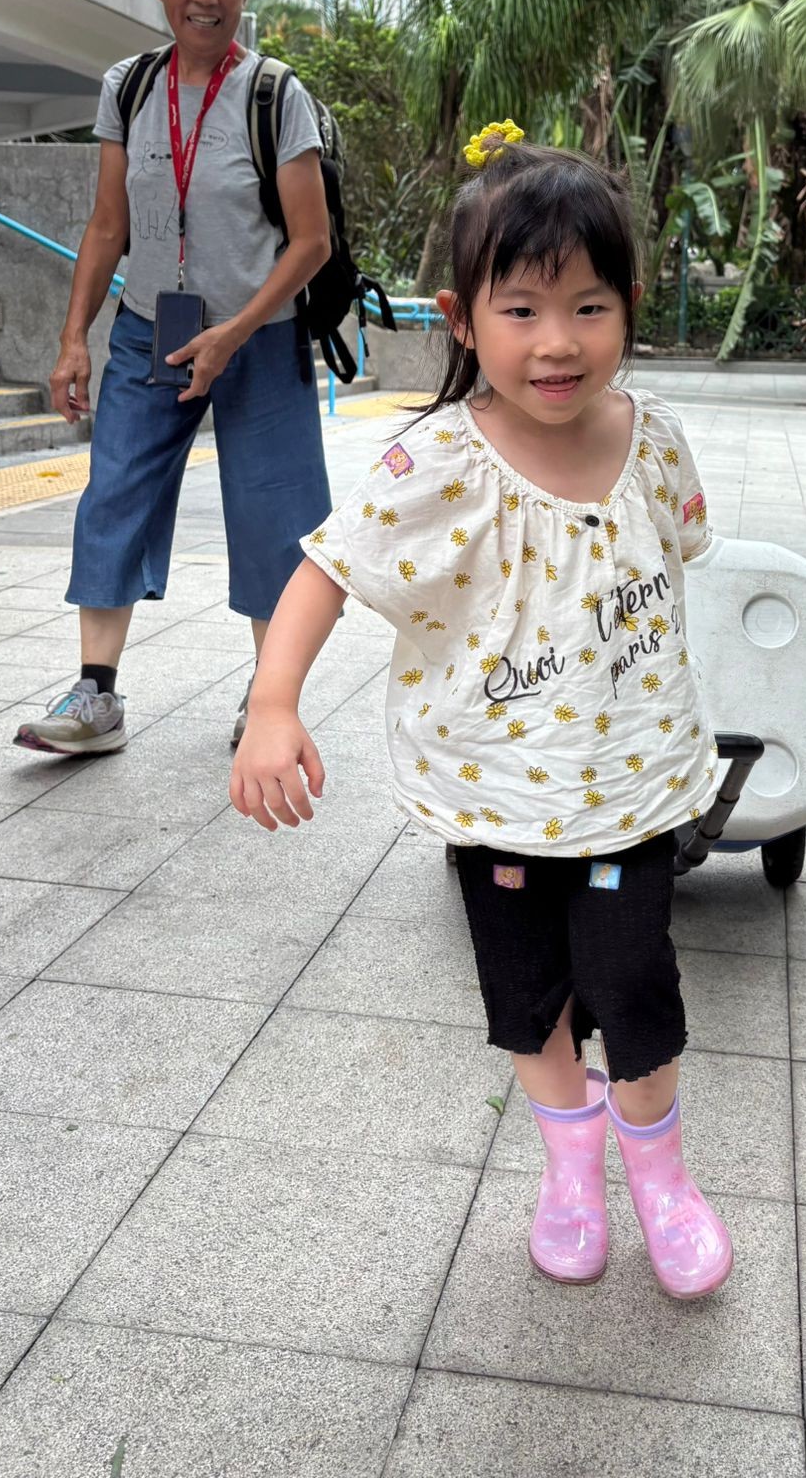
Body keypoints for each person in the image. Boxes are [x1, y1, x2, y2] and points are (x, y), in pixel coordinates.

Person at [229, 122, 732, 1299]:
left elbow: (672, 569)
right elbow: (328, 567)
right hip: (495, 806)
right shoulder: (434, 465)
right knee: (526, 1005)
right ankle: (572, 1166)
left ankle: (661, 1174)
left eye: (589, 306)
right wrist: (271, 701)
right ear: (462, 319)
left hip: (631, 796)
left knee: (636, 994)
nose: (557, 341)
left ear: (631, 305)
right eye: (521, 309)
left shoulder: (654, 441)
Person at [15, 0, 334, 758]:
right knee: (114, 494)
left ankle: (268, 703)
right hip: (150, 328)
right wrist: (74, 335)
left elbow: (312, 242)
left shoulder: (274, 94)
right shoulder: (130, 85)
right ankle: (96, 698)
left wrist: (235, 331)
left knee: (274, 516)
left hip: (259, 337)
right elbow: (107, 224)